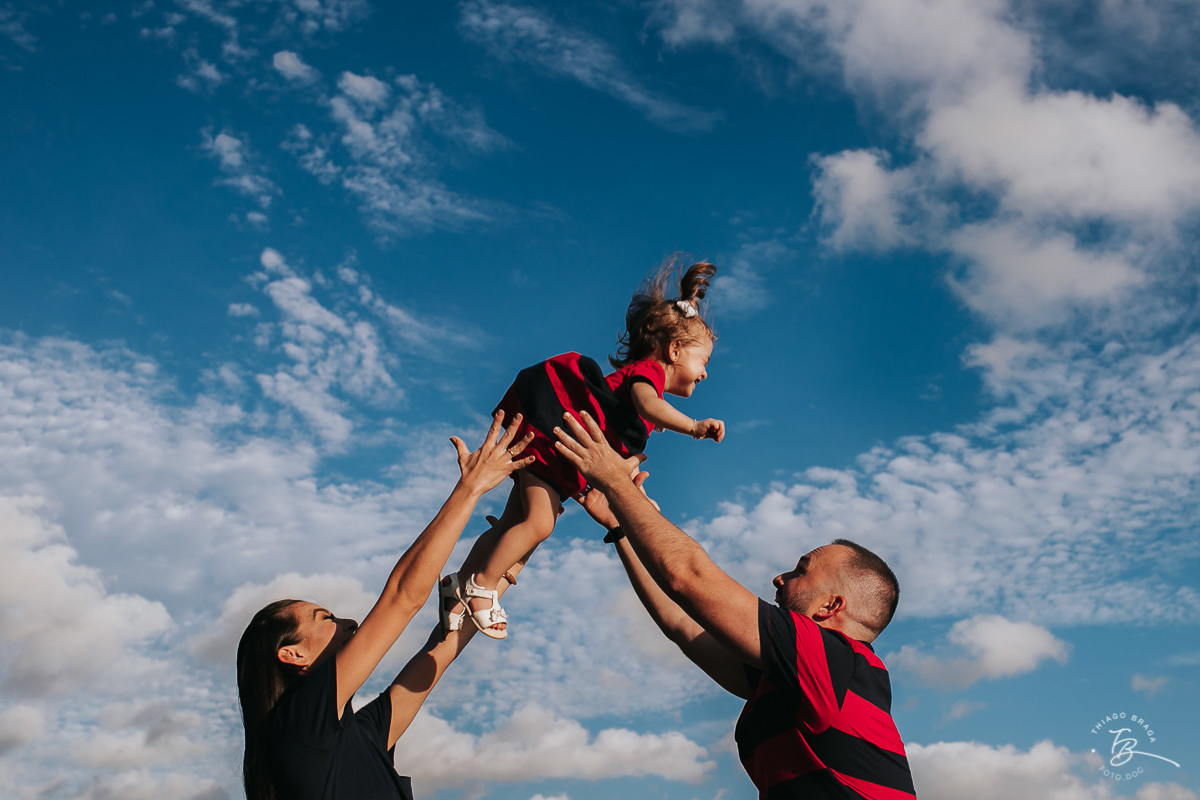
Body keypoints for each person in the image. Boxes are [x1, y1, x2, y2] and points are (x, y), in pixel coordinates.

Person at [553, 411, 918, 800]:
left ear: (831, 606)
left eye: (801, 570)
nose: (780, 579)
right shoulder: (795, 677)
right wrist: (620, 527)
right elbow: (684, 624)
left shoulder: (832, 657)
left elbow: (689, 577)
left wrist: (613, 480)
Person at [235, 413, 535, 800]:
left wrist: (499, 575)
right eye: (325, 618)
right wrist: (470, 488)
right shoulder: (297, 727)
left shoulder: (361, 732)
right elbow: (402, 598)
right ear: (293, 654)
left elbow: (441, 650)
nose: (350, 621)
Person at [447, 258, 727, 639]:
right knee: (539, 524)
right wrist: (693, 426)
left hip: (556, 459)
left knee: (515, 524)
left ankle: (458, 583)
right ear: (675, 350)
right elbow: (648, 406)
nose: (706, 372)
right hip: (551, 446)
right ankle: (481, 586)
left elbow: (626, 445)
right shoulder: (647, 376)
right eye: (703, 361)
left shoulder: (645, 387)